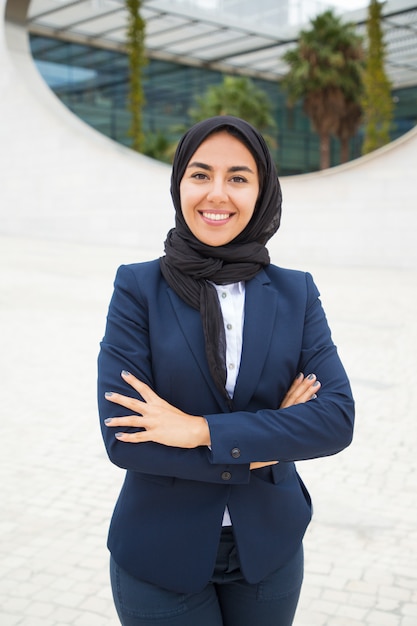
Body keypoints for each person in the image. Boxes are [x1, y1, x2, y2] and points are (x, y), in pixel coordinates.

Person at [97, 115, 354, 626]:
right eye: (200, 174)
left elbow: (335, 419)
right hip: (160, 554)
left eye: (238, 177)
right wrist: (262, 448)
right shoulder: (138, 289)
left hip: (268, 552)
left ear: (262, 191)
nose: (217, 193)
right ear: (179, 184)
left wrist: (196, 431)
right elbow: (125, 438)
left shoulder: (295, 292)